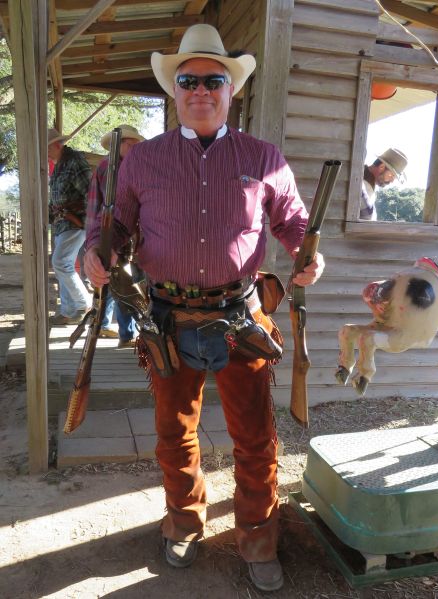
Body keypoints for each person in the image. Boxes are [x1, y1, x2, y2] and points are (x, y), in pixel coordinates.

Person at [84, 24, 324, 592]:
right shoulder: (142, 161)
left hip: (241, 317)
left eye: (212, 80)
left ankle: (258, 536)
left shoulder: (263, 157)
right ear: (174, 89)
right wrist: (95, 255)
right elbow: (113, 227)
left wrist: (309, 256)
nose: (200, 90)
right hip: (166, 320)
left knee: (255, 438)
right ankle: (185, 522)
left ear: (230, 89)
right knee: (174, 434)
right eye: (188, 80)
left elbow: (294, 222)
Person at [86, 124, 145, 347]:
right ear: (120, 144)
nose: (135, 148)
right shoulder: (108, 168)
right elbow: (103, 208)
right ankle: (126, 334)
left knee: (118, 281)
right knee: (122, 283)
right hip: (112, 235)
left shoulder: (126, 167)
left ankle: (114, 328)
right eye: (131, 144)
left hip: (123, 236)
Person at [48, 128, 92, 325]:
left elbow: (91, 194)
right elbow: (56, 197)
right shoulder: (59, 165)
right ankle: (68, 311)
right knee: (62, 266)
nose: (46, 153)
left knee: (61, 262)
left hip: (75, 222)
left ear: (57, 145)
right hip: (62, 223)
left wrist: (87, 221)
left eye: (47, 148)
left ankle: (84, 304)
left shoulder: (75, 161)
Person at [360, 147, 408, 220]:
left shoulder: (366, 182)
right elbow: (368, 219)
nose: (392, 181)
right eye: (391, 175)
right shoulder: (362, 184)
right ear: (381, 167)